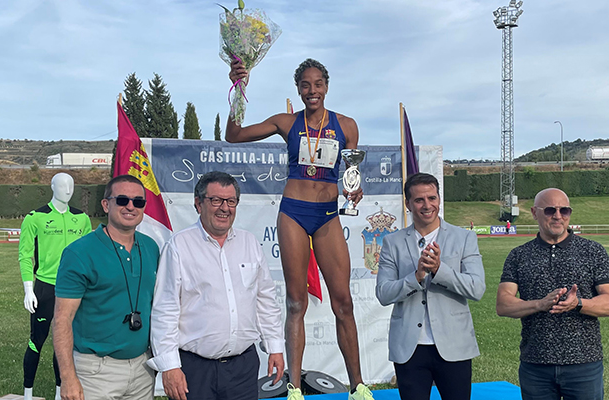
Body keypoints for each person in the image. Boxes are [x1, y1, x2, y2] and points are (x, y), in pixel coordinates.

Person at [226, 59, 373, 400]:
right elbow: (233, 136)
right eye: (305, 85)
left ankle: (358, 386)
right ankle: (294, 388)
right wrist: (238, 88)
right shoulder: (287, 122)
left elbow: (352, 174)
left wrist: (355, 189)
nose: (312, 91)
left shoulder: (346, 125)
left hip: (327, 216)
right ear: (298, 89)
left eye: (318, 84)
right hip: (293, 213)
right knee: (295, 303)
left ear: (327, 86)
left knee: (343, 302)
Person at [148, 172, 284, 400]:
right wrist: (169, 366)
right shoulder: (179, 246)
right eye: (216, 200)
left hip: (243, 368)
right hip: (195, 369)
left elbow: (265, 301)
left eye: (231, 201)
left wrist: (275, 347)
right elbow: (166, 309)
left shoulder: (249, 243)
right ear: (198, 203)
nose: (224, 208)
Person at [496, 188, 609, 400]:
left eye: (564, 210)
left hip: (584, 364)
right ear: (534, 213)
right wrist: (539, 304)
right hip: (535, 365)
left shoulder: (593, 251)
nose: (558, 216)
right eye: (550, 210)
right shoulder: (519, 255)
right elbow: (503, 304)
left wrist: (578, 303)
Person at [375, 173, 486, 400]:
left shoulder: (464, 238)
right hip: (409, 348)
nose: (427, 205)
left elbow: (476, 288)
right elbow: (383, 293)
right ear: (408, 204)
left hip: (454, 345)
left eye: (432, 198)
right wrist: (415, 278)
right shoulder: (392, 242)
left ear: (439, 199)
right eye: (419, 200)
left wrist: (439, 270)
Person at [53, 175, 159, 400]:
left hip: (143, 369)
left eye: (138, 201)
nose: (130, 206)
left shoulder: (151, 248)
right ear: (105, 204)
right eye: (122, 200)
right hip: (95, 372)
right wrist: (68, 377)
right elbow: (62, 319)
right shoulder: (79, 253)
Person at [18, 172, 91, 400]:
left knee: (66, 342)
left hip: (74, 289)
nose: (67, 190)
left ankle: (60, 394)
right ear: (52, 187)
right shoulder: (35, 218)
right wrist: (28, 289)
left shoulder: (82, 219)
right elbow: (25, 255)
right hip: (45, 288)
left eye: (71, 186)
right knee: (36, 341)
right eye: (62, 185)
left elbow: (88, 254)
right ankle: (27, 394)